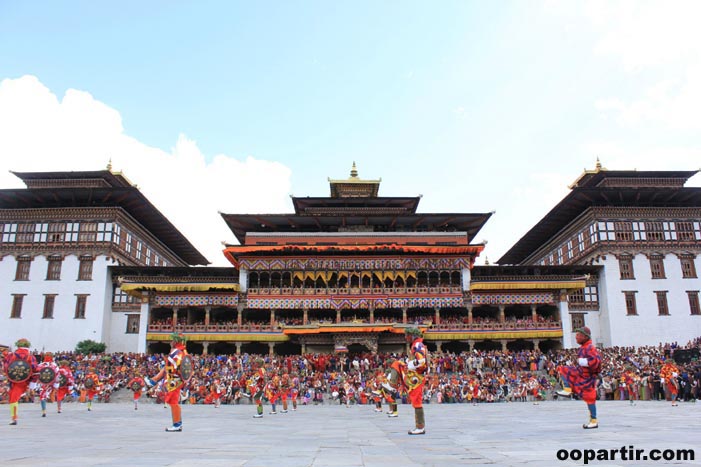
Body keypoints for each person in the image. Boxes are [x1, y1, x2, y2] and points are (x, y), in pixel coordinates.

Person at [382, 327, 429, 435]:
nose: (405, 337)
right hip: (416, 375)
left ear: (412, 336)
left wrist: (410, 364)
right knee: (397, 364)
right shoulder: (417, 345)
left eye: (407, 335)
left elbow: (421, 361)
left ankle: (420, 427)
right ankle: (392, 385)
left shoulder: (417, 345)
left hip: (416, 376)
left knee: (397, 364)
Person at [144, 333, 192, 431]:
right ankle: (153, 381)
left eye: (172, 340)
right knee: (173, 402)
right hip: (178, 380)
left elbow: (170, 367)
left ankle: (177, 424)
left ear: (175, 341)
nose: (171, 342)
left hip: (174, 380)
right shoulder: (184, 352)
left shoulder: (176, 352)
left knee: (173, 402)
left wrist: (165, 379)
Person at [556, 326, 602, 429]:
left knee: (590, 398)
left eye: (579, 335)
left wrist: (583, 362)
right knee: (563, 369)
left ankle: (593, 420)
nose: (576, 337)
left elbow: (596, 361)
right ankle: (567, 389)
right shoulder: (583, 347)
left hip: (587, 376)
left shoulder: (590, 348)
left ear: (585, 337)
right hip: (581, 373)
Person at [3, 338, 38, 425]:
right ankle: (14, 417)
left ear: (18, 345)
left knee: (13, 398)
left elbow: (6, 367)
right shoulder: (31, 357)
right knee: (13, 397)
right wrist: (32, 384)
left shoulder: (11, 355)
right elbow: (36, 371)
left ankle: (14, 418)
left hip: (13, 380)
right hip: (24, 381)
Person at [36, 352, 59, 417]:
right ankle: (44, 411)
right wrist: (56, 385)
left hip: (46, 383)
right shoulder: (54, 365)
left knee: (43, 396)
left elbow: (37, 373)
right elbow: (57, 375)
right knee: (43, 396)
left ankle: (44, 411)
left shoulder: (41, 365)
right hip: (47, 383)